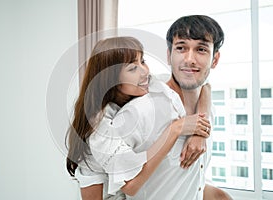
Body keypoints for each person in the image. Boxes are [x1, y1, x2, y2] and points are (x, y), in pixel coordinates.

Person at [66, 36, 211, 199]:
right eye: (132, 68)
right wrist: (175, 129)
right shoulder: (101, 128)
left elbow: (204, 86)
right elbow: (131, 186)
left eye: (143, 61)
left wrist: (200, 134)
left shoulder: (147, 86)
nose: (144, 71)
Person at [165, 15, 232, 199]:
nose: (189, 59)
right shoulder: (150, 108)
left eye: (201, 49)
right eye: (181, 48)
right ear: (169, 55)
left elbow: (193, 181)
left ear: (215, 60)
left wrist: (199, 129)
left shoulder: (210, 108)